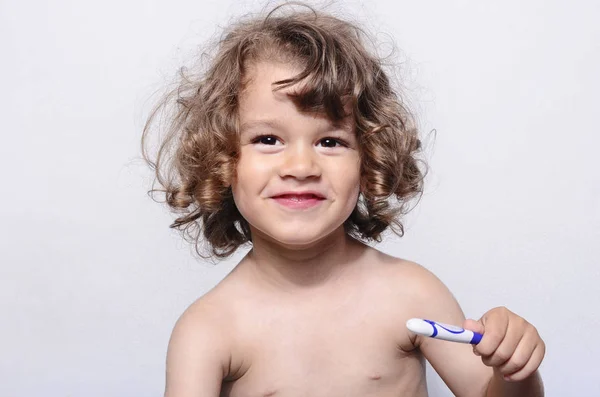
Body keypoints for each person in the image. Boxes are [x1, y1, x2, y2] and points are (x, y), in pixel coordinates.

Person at [141, 3, 545, 396]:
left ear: (369, 161)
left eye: (330, 141)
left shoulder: (411, 293)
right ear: (222, 160)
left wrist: (514, 370)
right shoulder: (208, 330)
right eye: (268, 139)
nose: (301, 166)